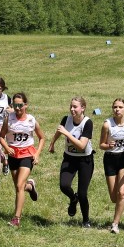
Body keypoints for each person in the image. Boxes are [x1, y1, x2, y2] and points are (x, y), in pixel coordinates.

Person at [0, 92, 45, 228]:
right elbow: (1, 137)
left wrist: (37, 154)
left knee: (19, 186)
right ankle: (30, 187)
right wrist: (6, 148)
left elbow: (42, 137)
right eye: (15, 105)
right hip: (13, 155)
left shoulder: (31, 120)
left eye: (20, 105)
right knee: (19, 187)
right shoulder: (9, 119)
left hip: (27, 154)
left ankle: (16, 218)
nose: (18, 108)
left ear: (26, 105)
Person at [49, 97, 94, 228]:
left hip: (85, 160)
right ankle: (73, 199)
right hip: (69, 158)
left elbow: (81, 145)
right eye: (71, 106)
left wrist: (67, 134)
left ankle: (86, 220)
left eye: (75, 107)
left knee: (83, 193)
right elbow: (59, 131)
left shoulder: (87, 123)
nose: (72, 109)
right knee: (64, 185)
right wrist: (52, 143)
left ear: (83, 108)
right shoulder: (66, 119)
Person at [99, 98, 124, 234]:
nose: (117, 109)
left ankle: (115, 224)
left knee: (121, 193)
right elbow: (101, 145)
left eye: (120, 107)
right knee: (114, 197)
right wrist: (108, 146)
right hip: (110, 159)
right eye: (115, 107)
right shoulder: (107, 125)